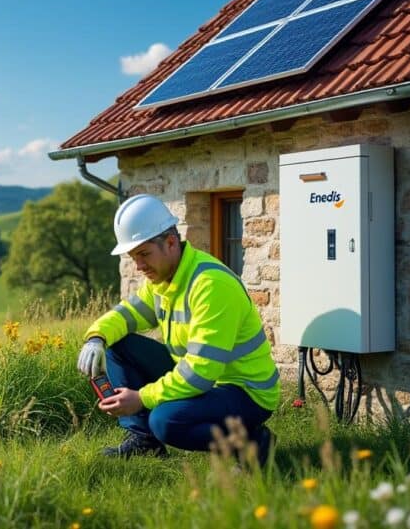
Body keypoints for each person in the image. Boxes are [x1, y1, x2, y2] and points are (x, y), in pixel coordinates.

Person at [77, 193, 279, 463]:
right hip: (205, 378)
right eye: (133, 257)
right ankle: (144, 442)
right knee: (117, 344)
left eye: (144, 254)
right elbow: (126, 315)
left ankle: (253, 443)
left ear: (171, 242)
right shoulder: (162, 280)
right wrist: (96, 337)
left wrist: (141, 398)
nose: (139, 266)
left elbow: (200, 373)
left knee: (166, 421)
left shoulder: (211, 285)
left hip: (245, 392)